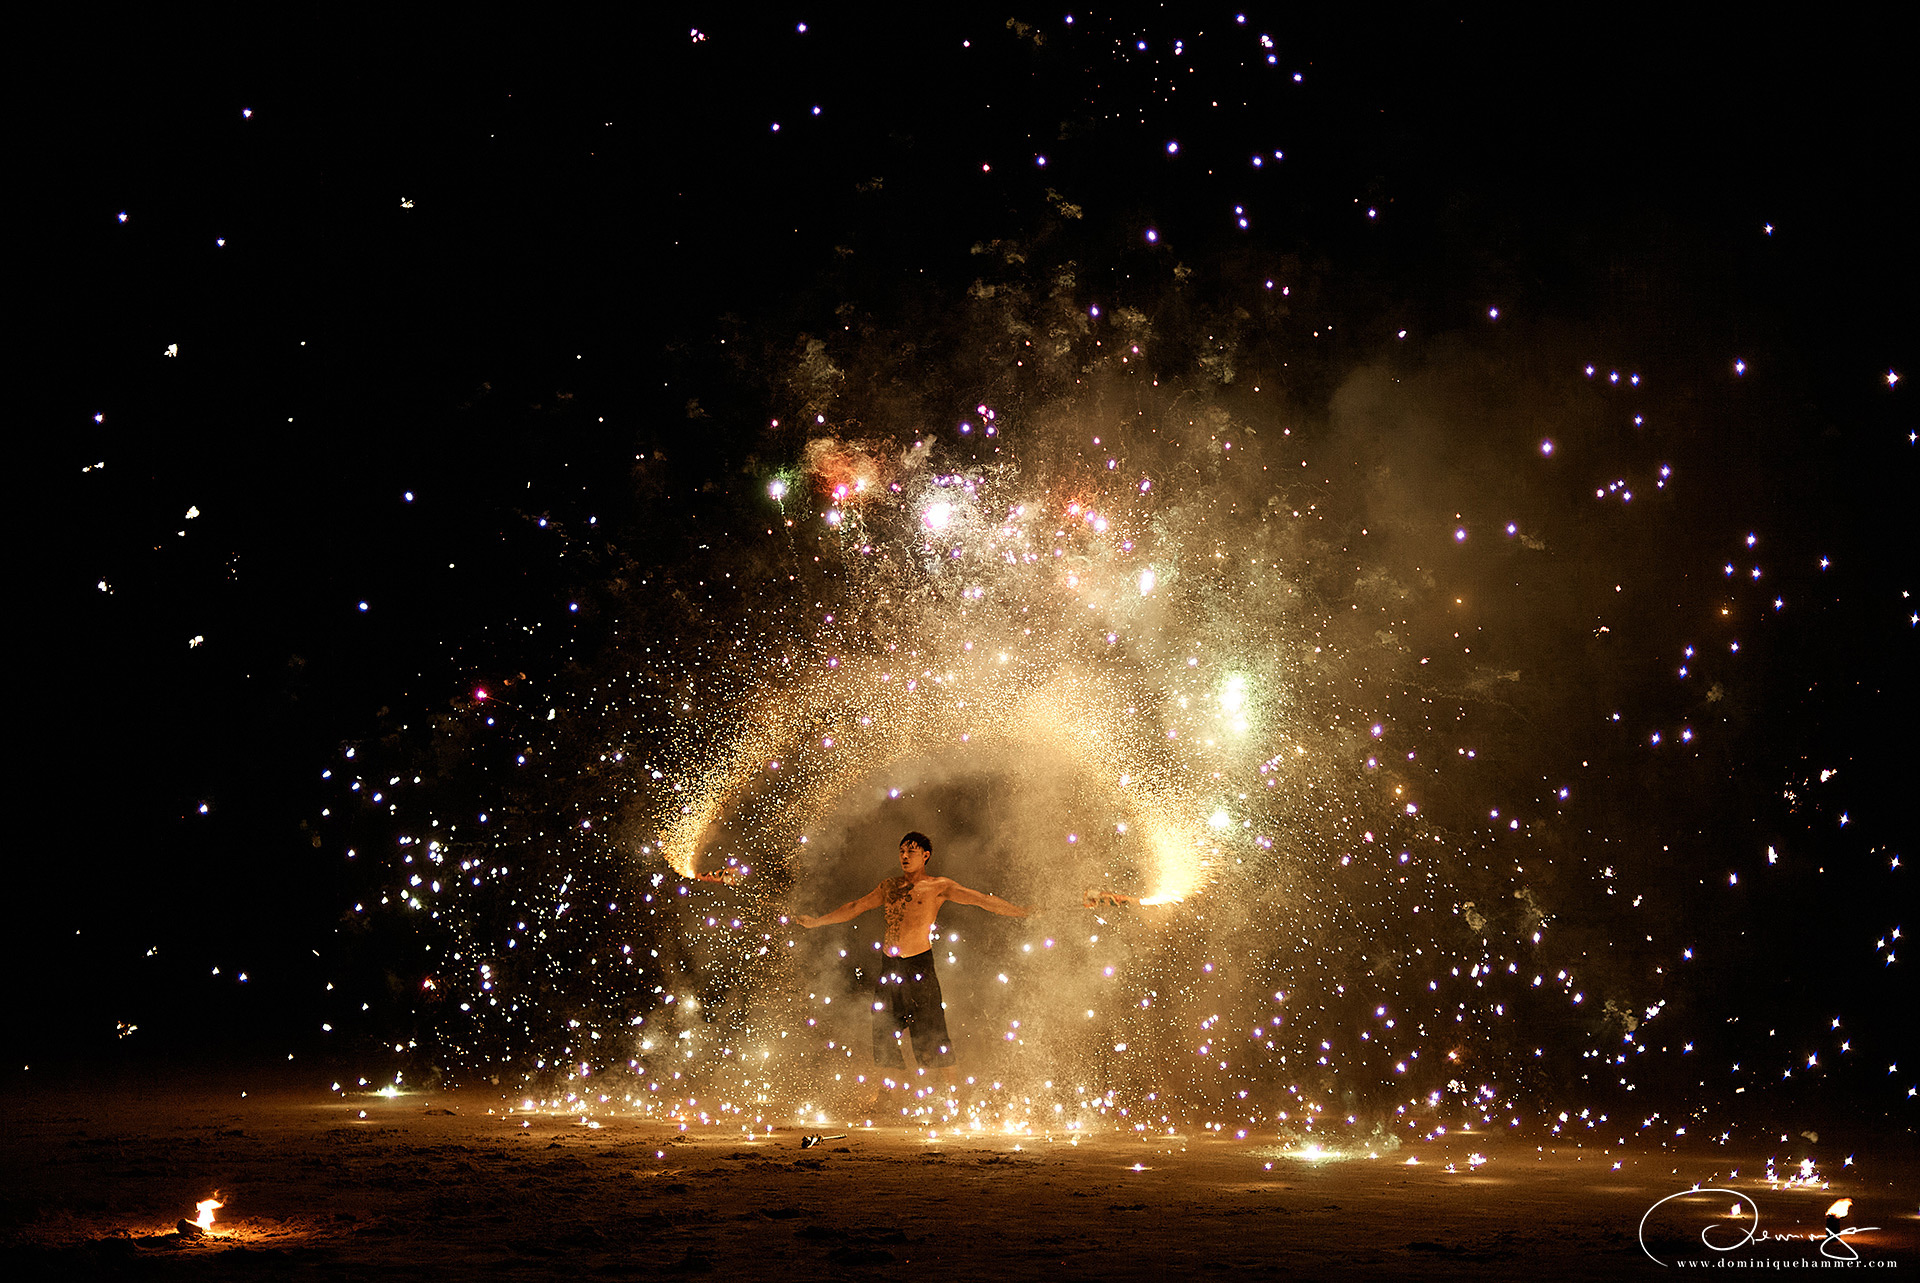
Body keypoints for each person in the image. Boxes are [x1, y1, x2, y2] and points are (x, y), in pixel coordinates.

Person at [796, 832, 1028, 1082]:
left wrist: (1022, 912)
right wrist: (818, 922)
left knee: (931, 1026)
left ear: (925, 856)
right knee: (883, 1025)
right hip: (890, 965)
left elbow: (982, 900)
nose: (905, 857)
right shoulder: (889, 886)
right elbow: (856, 907)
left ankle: (955, 1094)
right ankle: (887, 1095)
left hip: (919, 964)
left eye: (912, 852)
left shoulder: (938, 887)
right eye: (902, 852)